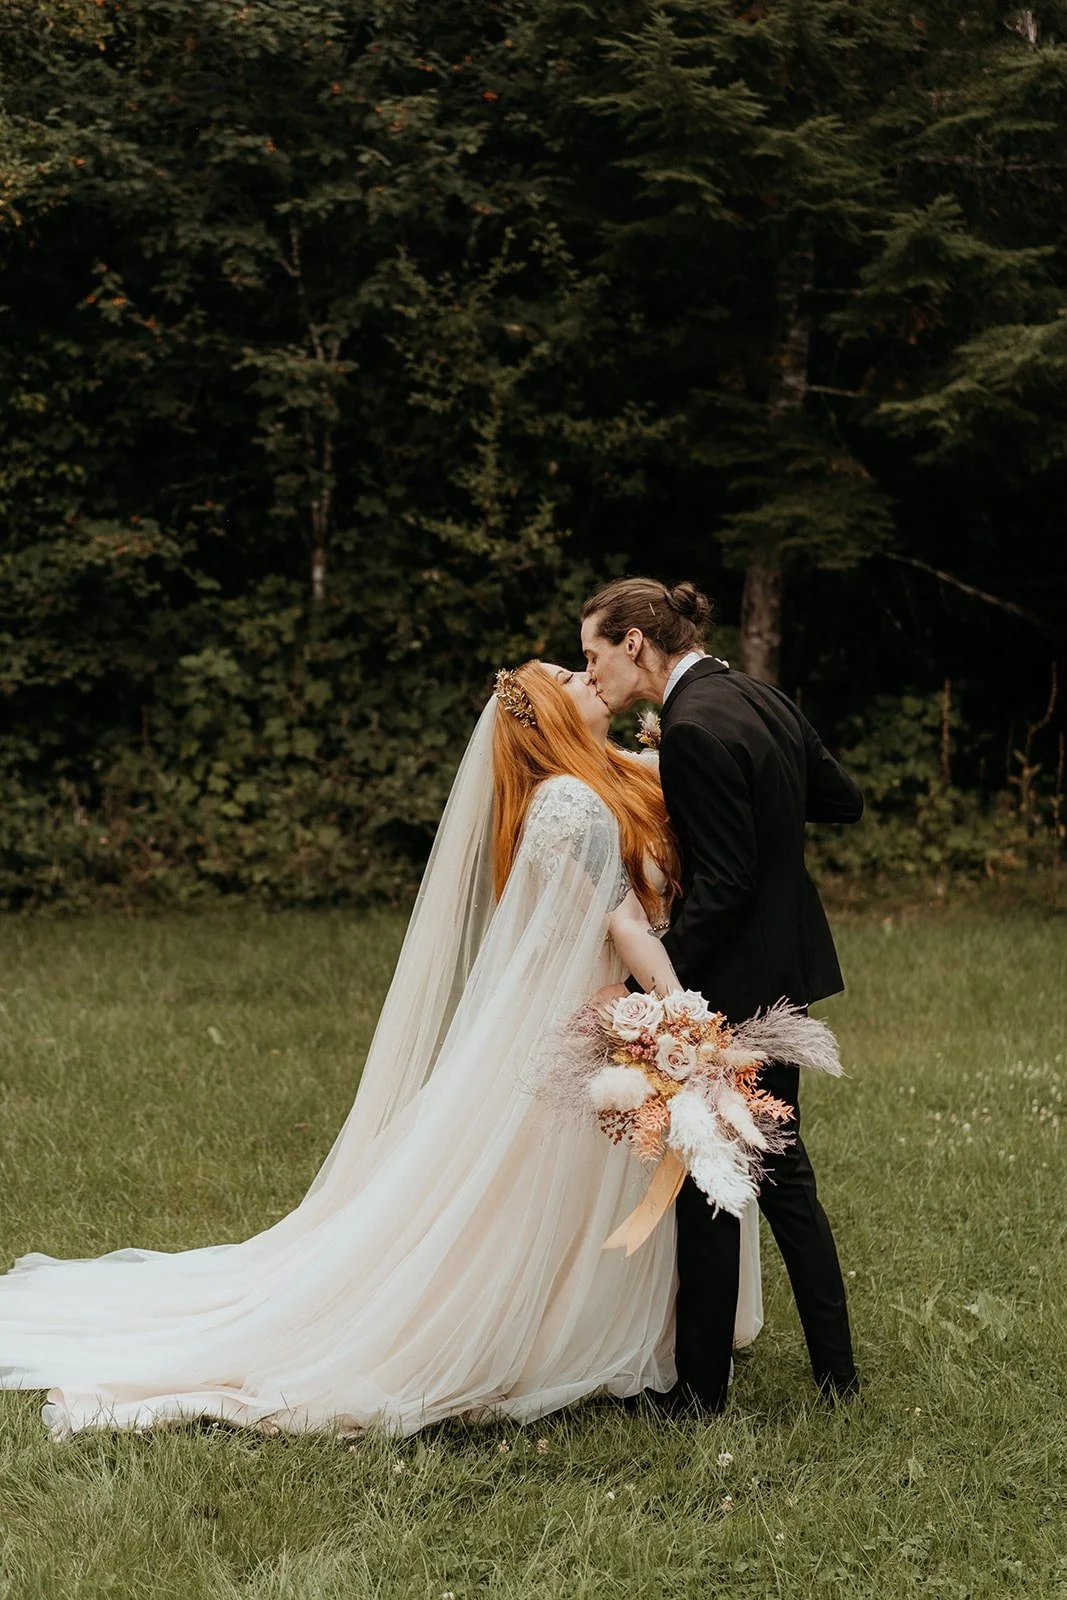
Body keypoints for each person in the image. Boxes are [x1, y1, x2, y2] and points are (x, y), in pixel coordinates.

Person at [0, 661, 761, 1439]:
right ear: (545, 716)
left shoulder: (603, 776)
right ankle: (532, 1324)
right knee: (537, 1182)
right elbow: (622, 923)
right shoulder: (566, 800)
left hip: (609, 1006)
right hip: (602, 1006)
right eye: (568, 675)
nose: (587, 674)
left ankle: (613, 1317)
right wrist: (683, 1019)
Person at [581, 576, 864, 1415]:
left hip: (731, 983)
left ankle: (702, 1392)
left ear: (634, 643)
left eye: (593, 653)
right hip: (785, 968)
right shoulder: (756, 696)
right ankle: (830, 1374)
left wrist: (651, 985)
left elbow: (726, 884)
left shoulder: (694, 727)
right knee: (775, 1175)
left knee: (713, 1176)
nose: (589, 671)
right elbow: (838, 800)